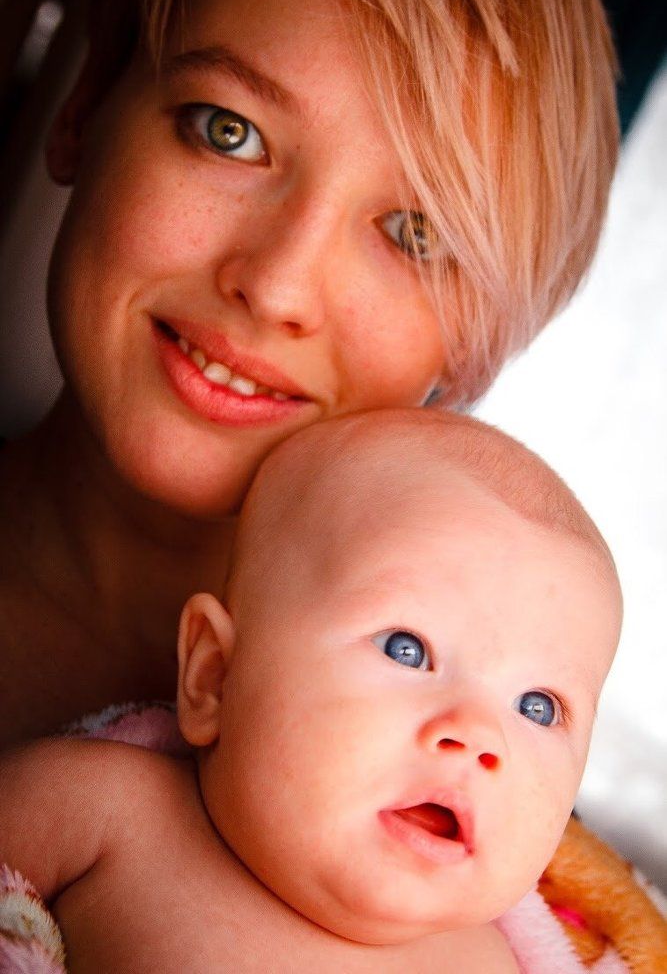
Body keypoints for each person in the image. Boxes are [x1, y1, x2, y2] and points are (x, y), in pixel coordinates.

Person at [0, 0, 619, 747]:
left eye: (415, 234)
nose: (276, 288)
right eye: (228, 131)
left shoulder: (470, 801)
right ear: (88, 103)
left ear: (475, 339)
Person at [0, 410, 623, 972]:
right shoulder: (103, 812)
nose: (479, 735)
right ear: (214, 676)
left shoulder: (503, 960)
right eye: (405, 648)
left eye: (538, 707)